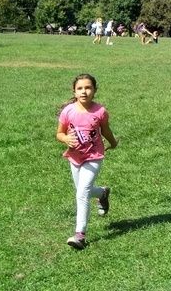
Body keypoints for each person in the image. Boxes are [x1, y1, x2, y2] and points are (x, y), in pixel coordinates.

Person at [56, 73, 118, 249]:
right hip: (75, 157)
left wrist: (113, 143)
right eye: (80, 88)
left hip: (94, 156)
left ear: (95, 90)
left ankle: (80, 236)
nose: (84, 91)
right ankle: (102, 193)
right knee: (84, 191)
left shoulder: (100, 111)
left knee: (82, 193)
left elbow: (105, 130)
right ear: (74, 92)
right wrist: (65, 139)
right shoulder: (68, 111)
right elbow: (59, 133)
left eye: (88, 87)